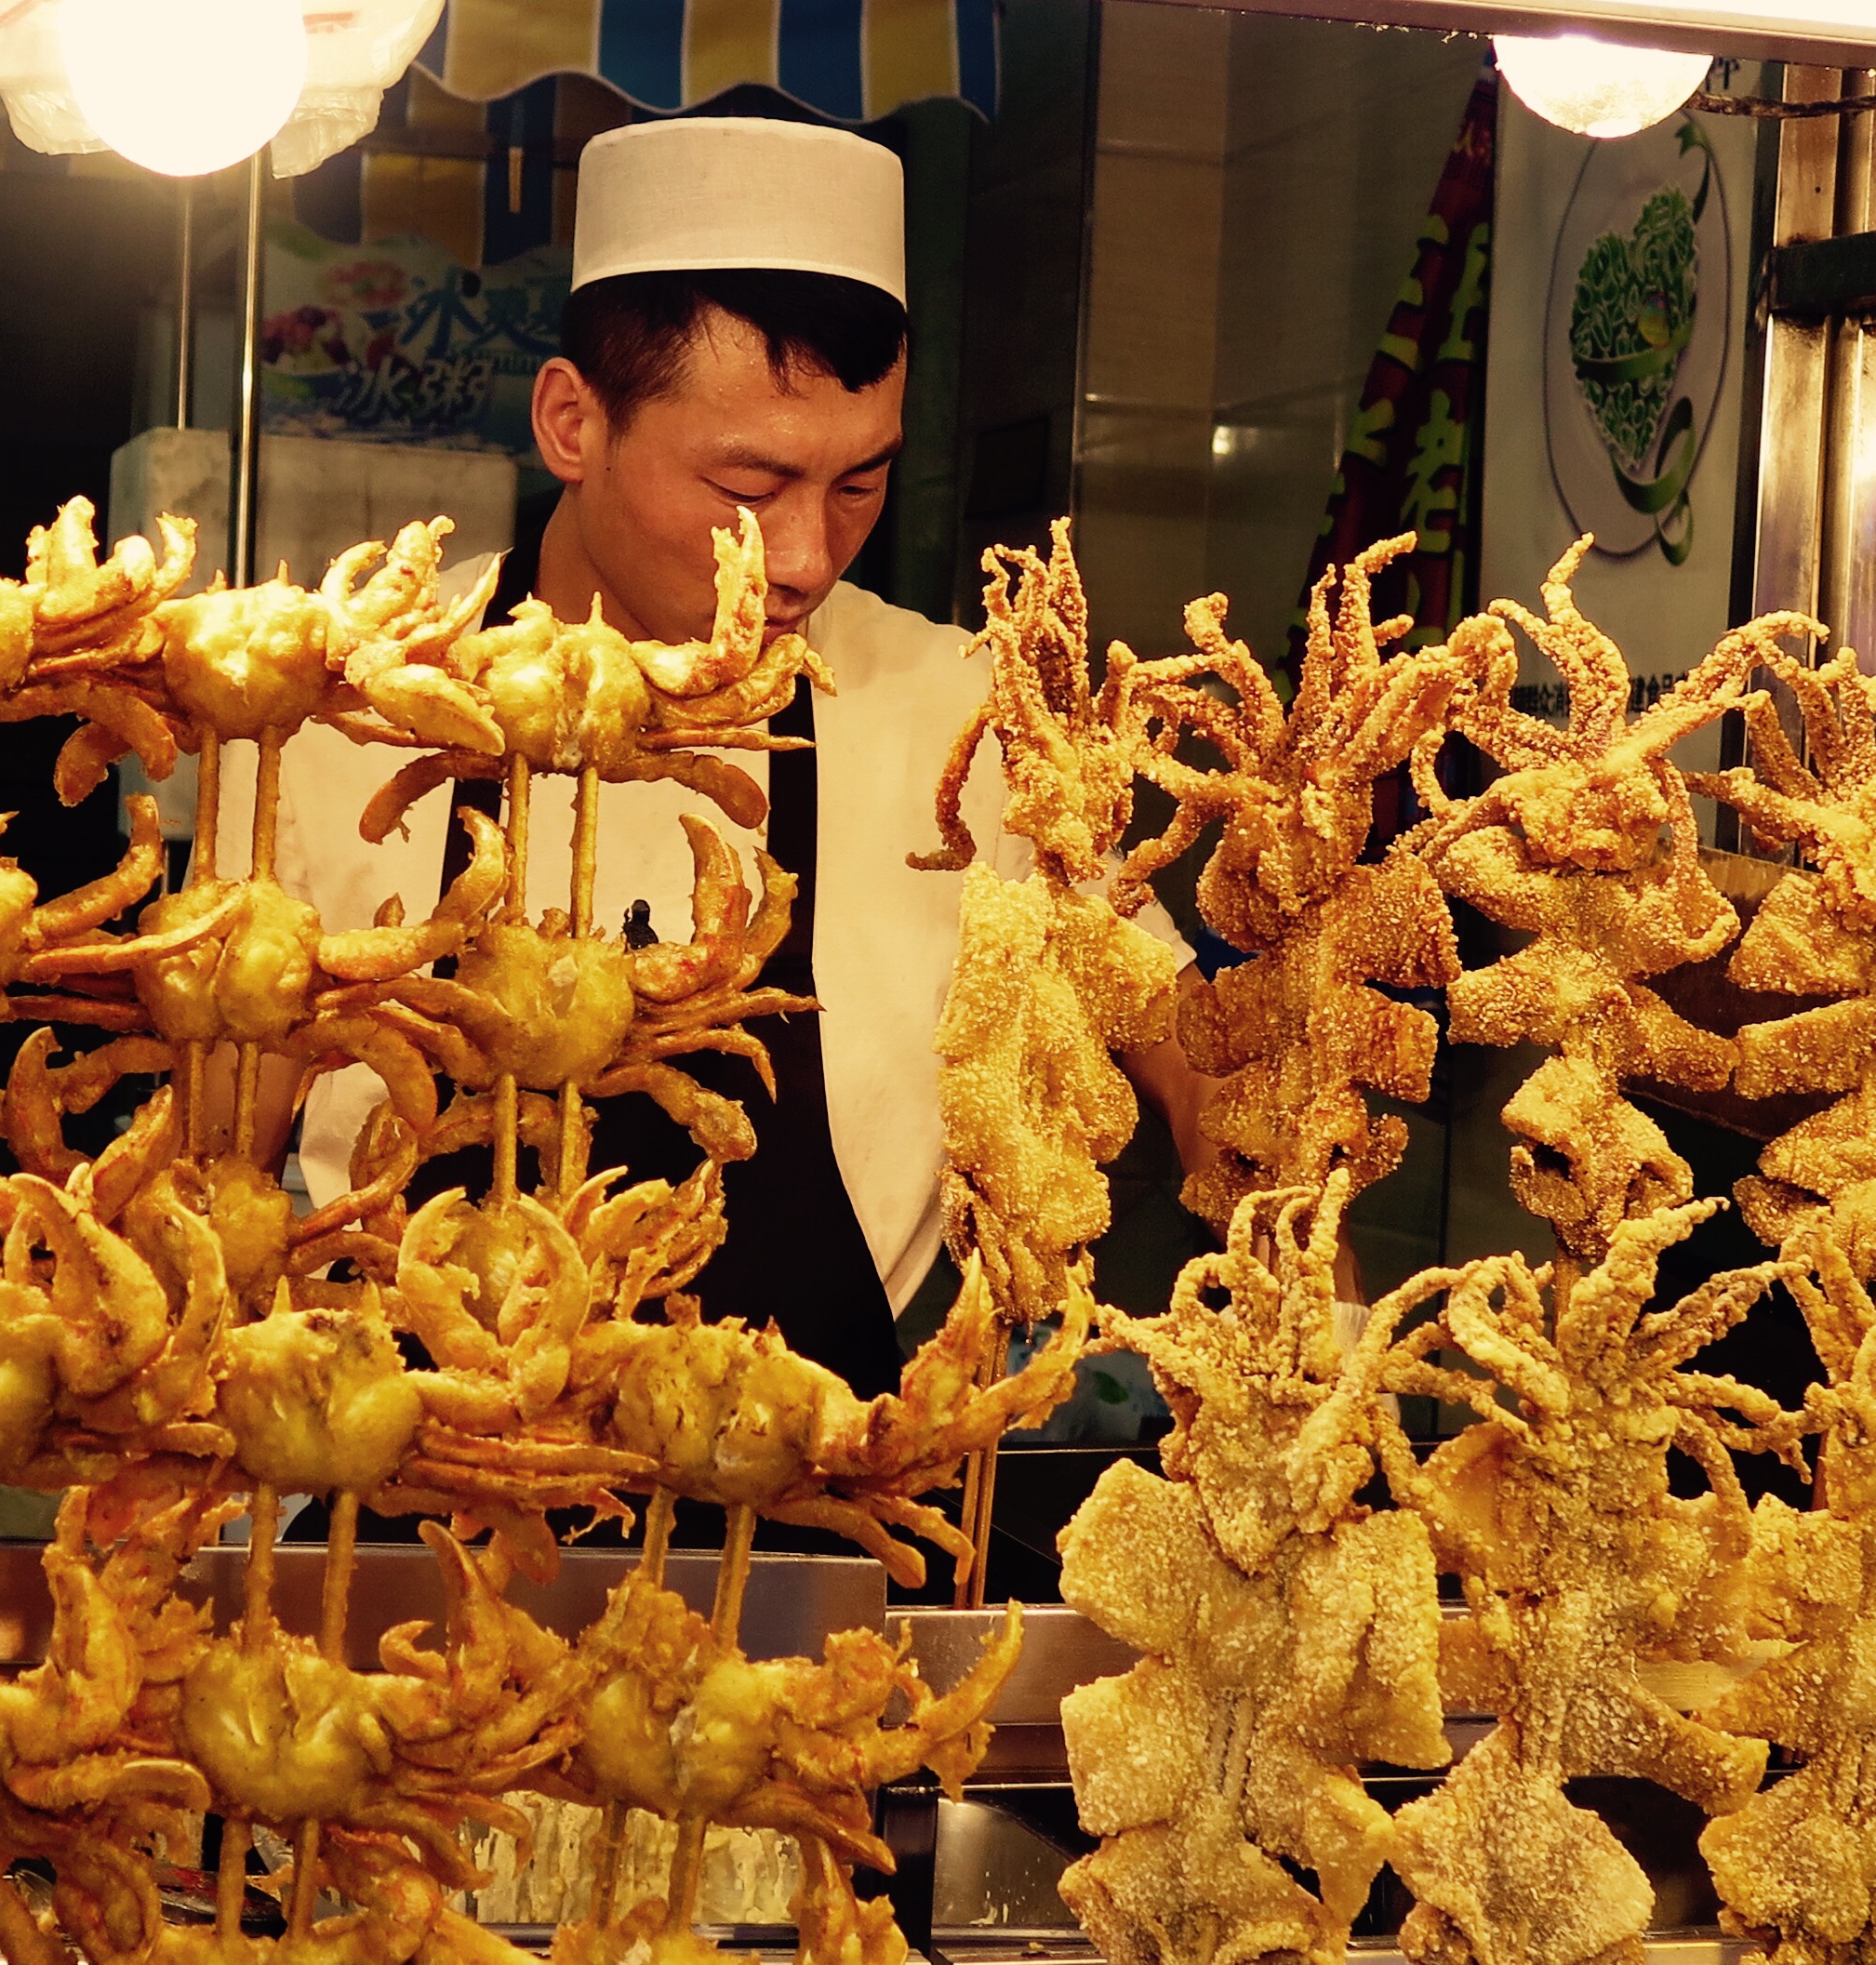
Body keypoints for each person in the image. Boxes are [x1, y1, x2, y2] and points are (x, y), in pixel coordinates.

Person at [246, 115, 1204, 1408]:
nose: (803, 559)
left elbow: (1183, 1044)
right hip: (413, 1468)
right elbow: (219, 1145)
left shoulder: (964, 712)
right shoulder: (339, 706)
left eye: (859, 486)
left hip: (814, 1471)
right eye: (748, 486)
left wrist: (1308, 1286)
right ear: (572, 421)